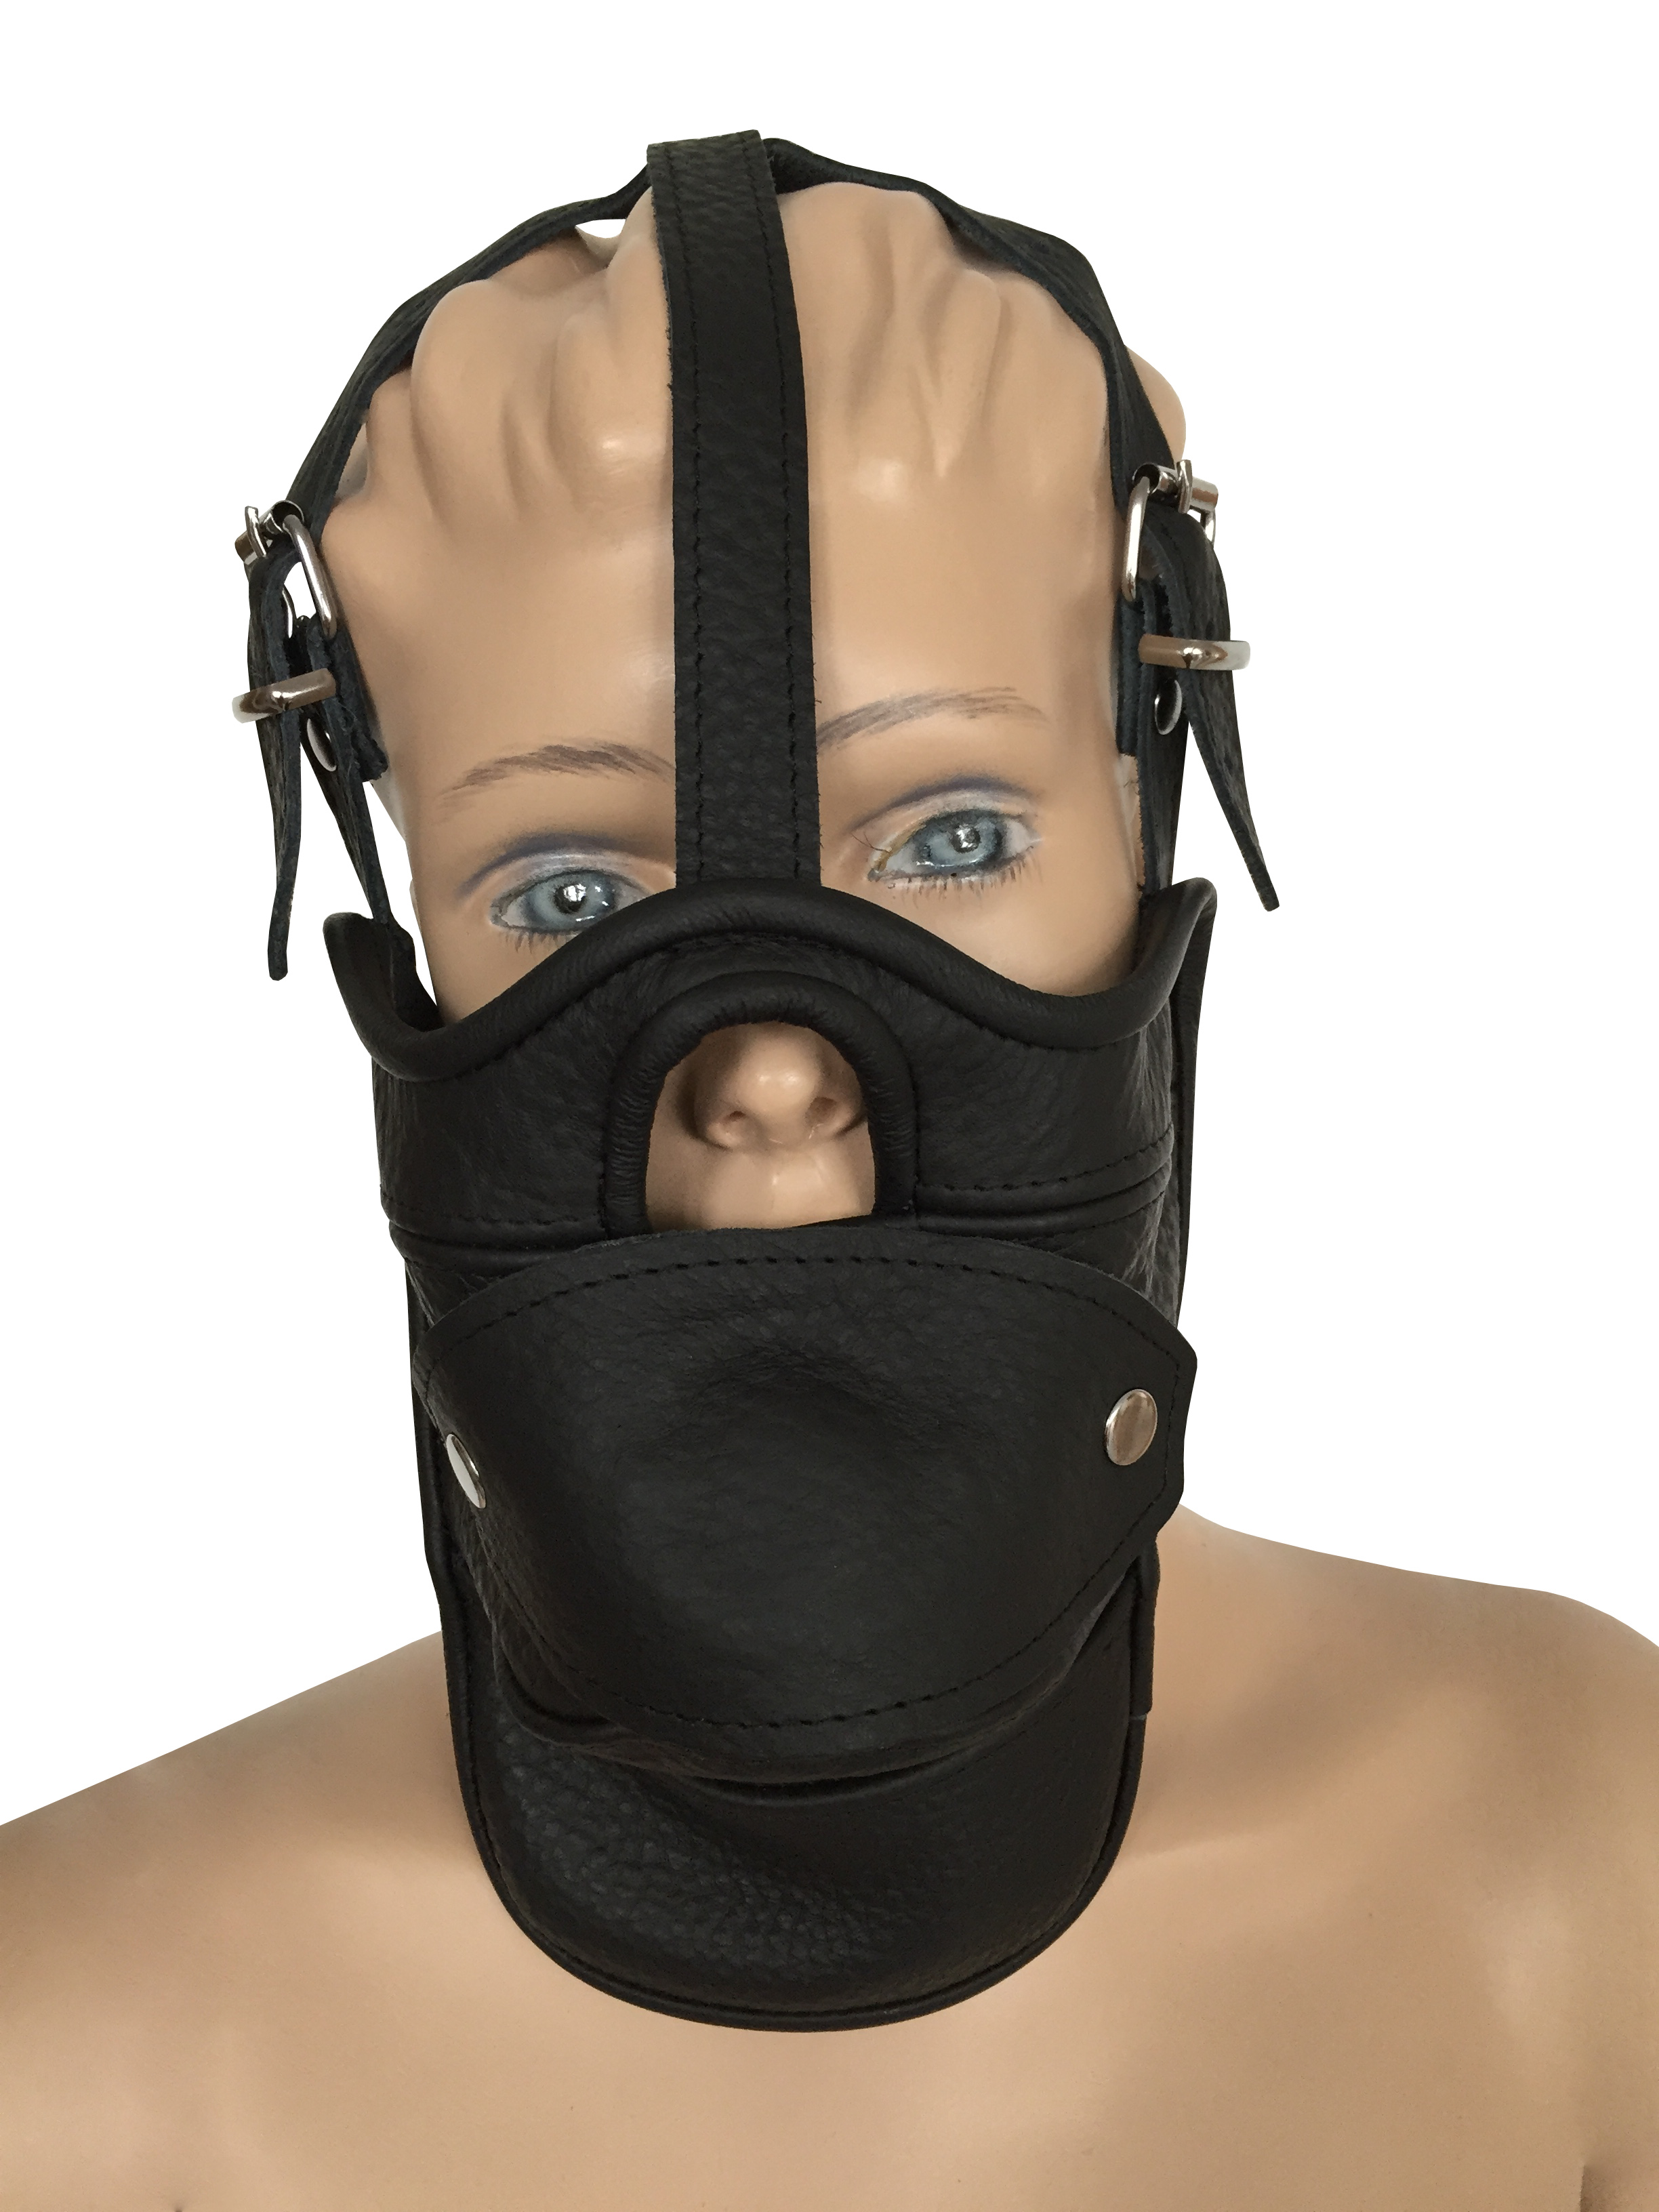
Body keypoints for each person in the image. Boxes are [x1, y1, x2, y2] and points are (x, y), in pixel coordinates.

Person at [1, 170, 1654, 2212]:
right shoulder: (66, 2033)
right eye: (570, 894)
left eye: (952, 840)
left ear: (1148, 822)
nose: (774, 1073)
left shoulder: (1594, 1862)